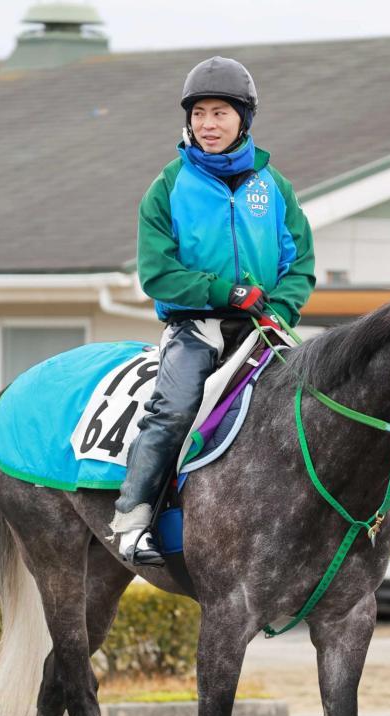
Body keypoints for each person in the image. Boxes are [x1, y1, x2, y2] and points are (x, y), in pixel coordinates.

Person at [110, 56, 316, 564]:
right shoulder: (167, 188)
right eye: (199, 113)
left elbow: (302, 264)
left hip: (265, 329)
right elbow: (157, 274)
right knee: (173, 410)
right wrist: (226, 292)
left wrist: (280, 308)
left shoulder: (275, 188)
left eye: (220, 113)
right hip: (195, 328)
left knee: (316, 406)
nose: (207, 125)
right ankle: (131, 520)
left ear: (243, 118)